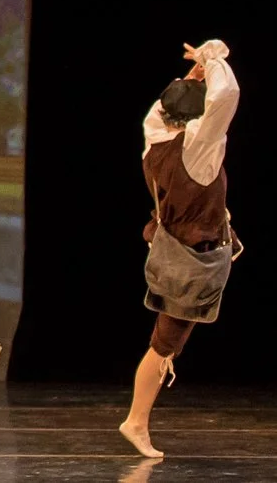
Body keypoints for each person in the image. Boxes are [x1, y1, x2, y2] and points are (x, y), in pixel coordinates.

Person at [121, 40, 239, 460]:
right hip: (192, 258)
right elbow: (228, 95)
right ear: (195, 119)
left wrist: (191, 79)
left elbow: (168, 103)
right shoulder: (196, 149)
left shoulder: (153, 134)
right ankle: (135, 421)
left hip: (176, 248)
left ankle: (137, 419)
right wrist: (212, 58)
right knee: (165, 343)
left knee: (170, 339)